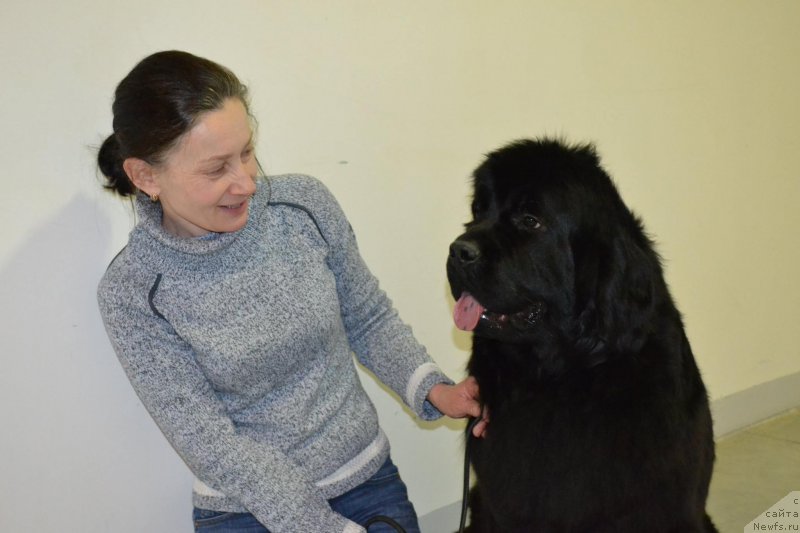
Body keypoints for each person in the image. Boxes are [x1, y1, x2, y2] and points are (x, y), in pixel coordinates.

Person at [96, 50, 486, 533]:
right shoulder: (134, 292)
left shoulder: (303, 207)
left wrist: (437, 390)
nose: (246, 182)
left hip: (365, 483)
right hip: (244, 511)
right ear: (145, 176)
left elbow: (368, 318)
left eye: (247, 151)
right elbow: (211, 442)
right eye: (216, 169)